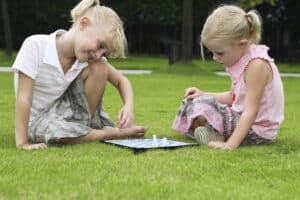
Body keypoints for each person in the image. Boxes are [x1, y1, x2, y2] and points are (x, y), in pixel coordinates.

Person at [12, 0, 147, 150]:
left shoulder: (87, 60)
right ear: (83, 24)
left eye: (104, 52)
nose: (98, 54)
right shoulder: (35, 45)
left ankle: (84, 130)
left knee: (101, 67)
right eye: (100, 45)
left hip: (69, 117)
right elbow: (24, 97)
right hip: (39, 122)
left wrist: (128, 107)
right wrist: (23, 143)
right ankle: (110, 134)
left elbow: (122, 80)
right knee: (58, 133)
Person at [172, 5, 284, 150]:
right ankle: (209, 133)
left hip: (257, 131)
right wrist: (203, 93)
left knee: (204, 105)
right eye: (212, 52)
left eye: (219, 53)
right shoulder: (243, 60)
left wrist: (230, 144)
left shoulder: (256, 65)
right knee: (194, 101)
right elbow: (234, 98)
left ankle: (212, 134)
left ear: (242, 45)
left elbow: (251, 111)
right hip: (243, 122)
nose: (214, 58)